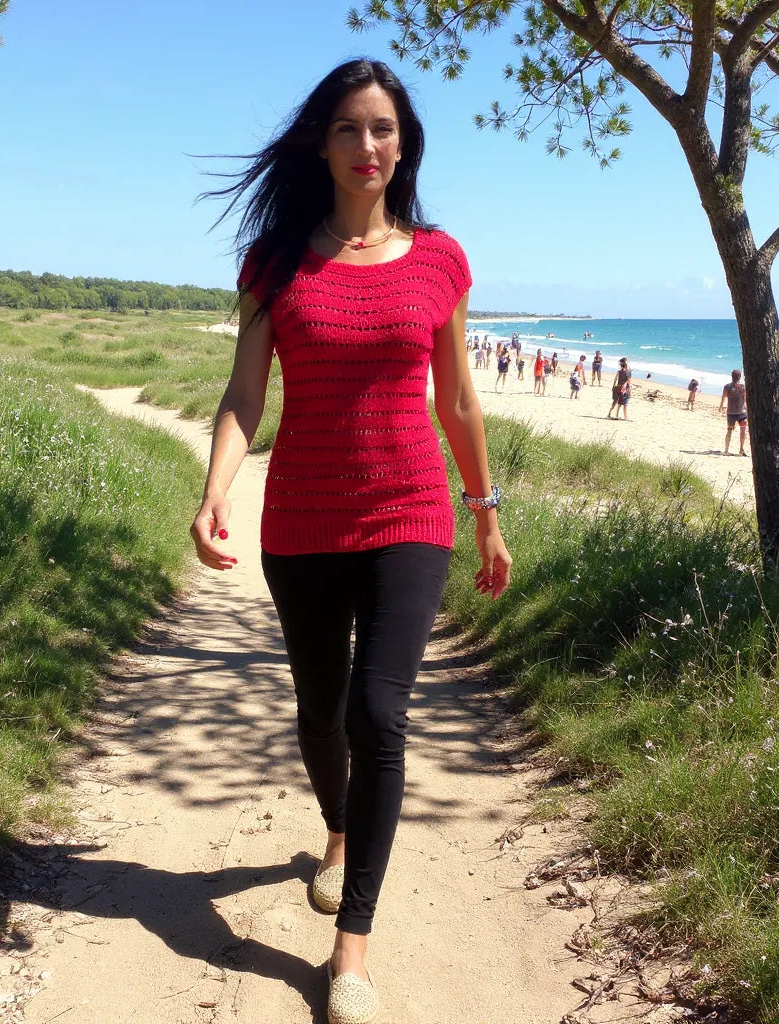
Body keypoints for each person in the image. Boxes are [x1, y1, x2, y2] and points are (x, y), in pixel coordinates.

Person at [190, 59, 512, 1024]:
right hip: (302, 520)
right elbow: (247, 395)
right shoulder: (275, 260)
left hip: (413, 512)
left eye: (381, 129)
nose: (366, 146)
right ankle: (335, 833)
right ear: (321, 145)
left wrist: (486, 510)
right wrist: (215, 490)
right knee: (321, 714)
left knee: (380, 718)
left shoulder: (440, 259)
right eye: (347, 129)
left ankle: (351, 949)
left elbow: (456, 398)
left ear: (402, 142)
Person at [719, 368, 749, 455]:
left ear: (731, 376)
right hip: (742, 413)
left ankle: (726, 450)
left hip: (731, 413)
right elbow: (746, 399)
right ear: (739, 377)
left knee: (729, 431)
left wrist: (721, 407)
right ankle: (741, 449)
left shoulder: (727, 387)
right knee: (743, 431)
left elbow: (723, 398)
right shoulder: (743, 387)